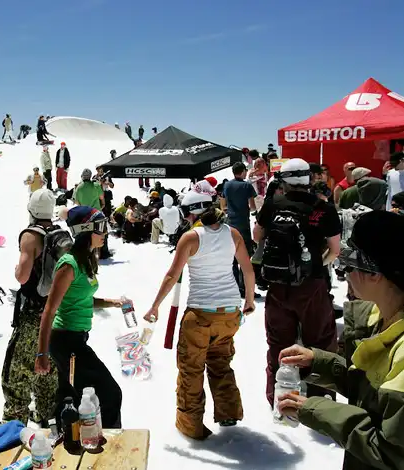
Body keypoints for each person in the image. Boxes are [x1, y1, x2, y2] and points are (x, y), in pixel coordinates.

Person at [277, 210, 404, 470]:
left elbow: (391, 453)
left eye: (349, 262)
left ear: (374, 273)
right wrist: (319, 363)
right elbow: (371, 390)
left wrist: (315, 409)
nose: (344, 273)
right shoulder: (378, 316)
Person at [145, 189, 255, 439]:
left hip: (200, 314)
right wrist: (248, 300)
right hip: (229, 312)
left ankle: (190, 425)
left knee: (191, 369)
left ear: (192, 212)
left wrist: (155, 306)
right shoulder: (233, 234)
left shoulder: (190, 238)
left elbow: (172, 276)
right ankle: (228, 413)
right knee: (221, 362)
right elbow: (247, 271)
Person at [253, 158, 342, 405]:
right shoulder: (323, 208)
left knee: (278, 345)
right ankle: (321, 404)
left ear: (283, 181)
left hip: (278, 285)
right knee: (320, 344)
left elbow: (257, 236)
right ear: (309, 179)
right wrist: (317, 264)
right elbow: (335, 250)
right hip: (312, 285)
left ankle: (279, 400)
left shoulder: (272, 205)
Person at [35, 206, 123, 428]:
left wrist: (111, 302)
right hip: (66, 341)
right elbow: (49, 310)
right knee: (109, 393)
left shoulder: (86, 259)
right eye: (100, 227)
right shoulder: (69, 264)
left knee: (71, 396)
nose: (105, 233)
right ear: (85, 230)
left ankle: (65, 436)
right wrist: (41, 353)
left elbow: (80, 299)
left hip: (77, 338)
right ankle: (110, 441)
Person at [1, 190, 60, 425]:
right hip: (56, 311)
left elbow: (23, 277)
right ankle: (47, 416)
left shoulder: (30, 236)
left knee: (17, 370)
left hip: (34, 312)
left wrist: (17, 269)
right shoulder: (59, 234)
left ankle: (15, 423)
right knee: (49, 368)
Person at [222, 162, 257, 299]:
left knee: (232, 258)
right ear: (242, 171)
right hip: (243, 225)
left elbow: (223, 205)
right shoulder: (247, 186)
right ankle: (245, 288)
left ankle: (234, 287)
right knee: (245, 257)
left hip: (230, 224)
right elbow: (252, 206)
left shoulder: (227, 185)